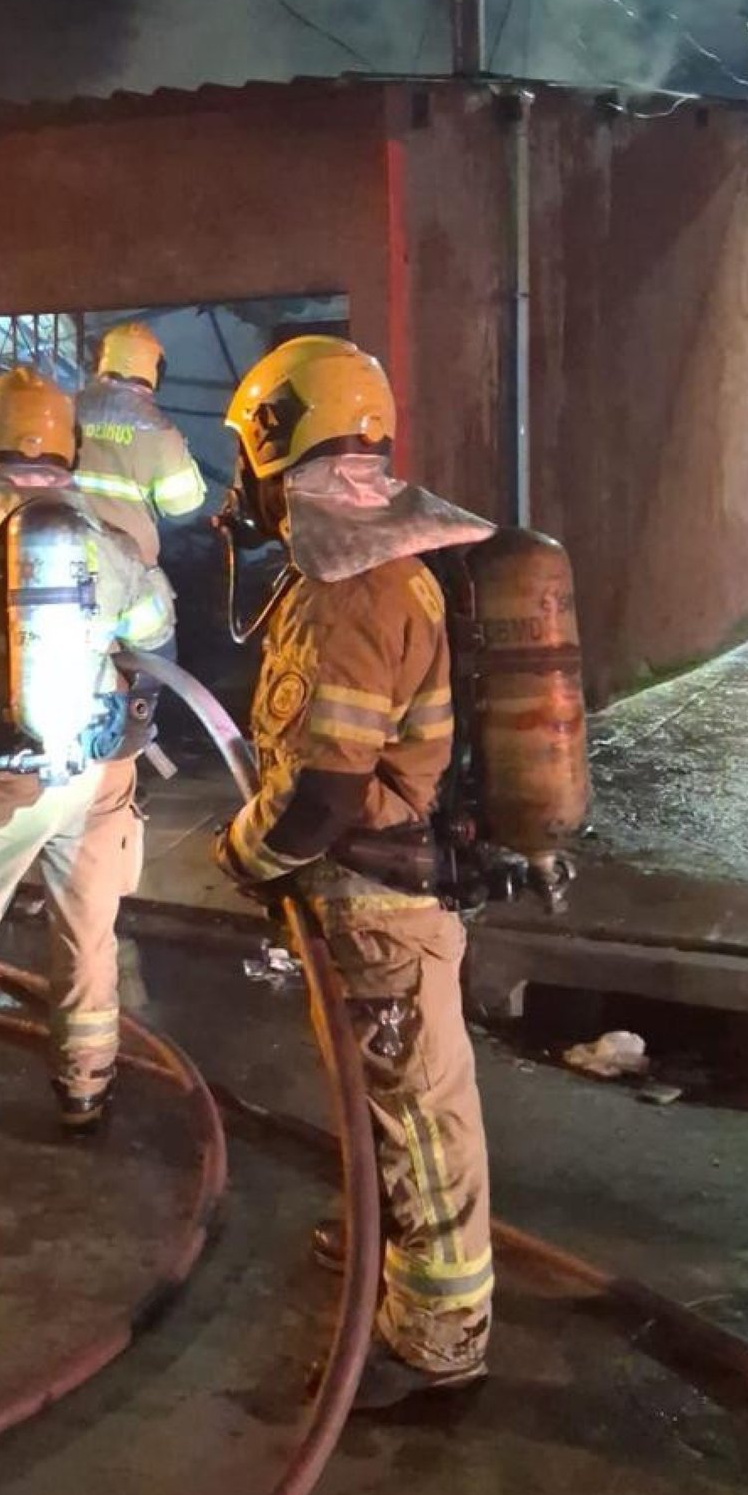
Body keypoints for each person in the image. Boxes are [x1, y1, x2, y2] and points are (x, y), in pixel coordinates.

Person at [213, 334, 494, 1411]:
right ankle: (386, 1242)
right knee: (390, 1099)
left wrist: (243, 853)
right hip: (379, 895)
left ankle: (436, 1344)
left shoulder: (347, 591)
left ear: (276, 446)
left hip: (375, 898)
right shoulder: (373, 563)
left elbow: (325, 794)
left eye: (247, 453)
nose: (237, 480)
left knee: (420, 1114)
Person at [0, 365, 172, 1132]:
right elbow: (150, 632)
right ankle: (84, 1089)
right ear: (67, 443)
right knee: (86, 934)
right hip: (94, 773)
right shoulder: (104, 539)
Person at [74, 321, 206, 569]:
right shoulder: (160, 431)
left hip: (61, 553)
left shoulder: (64, 410)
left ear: (101, 361)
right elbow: (184, 508)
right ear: (157, 369)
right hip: (127, 567)